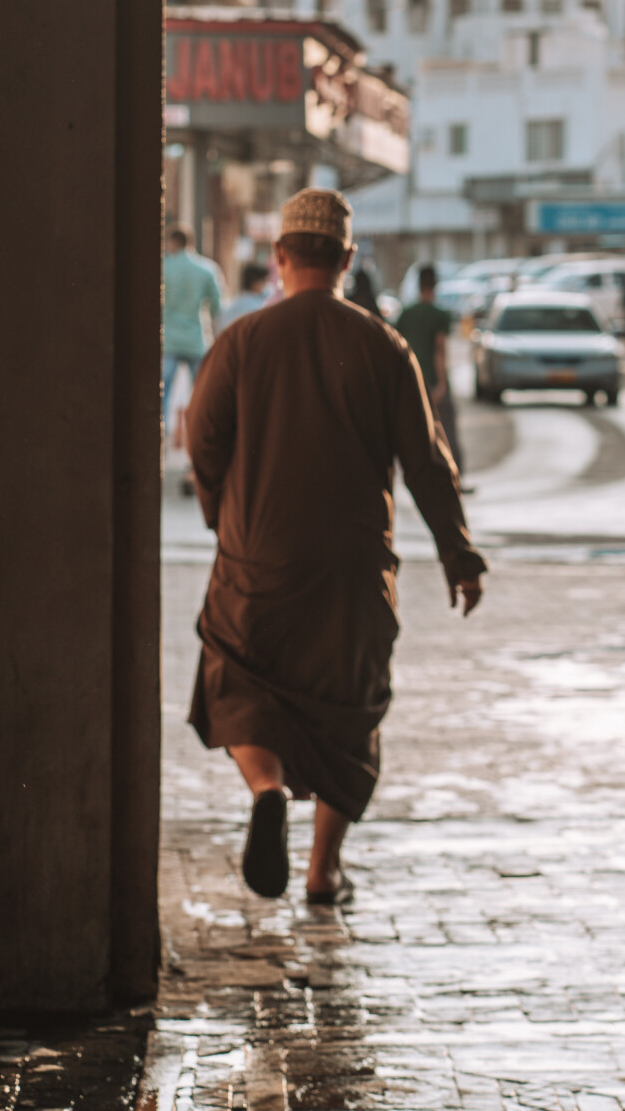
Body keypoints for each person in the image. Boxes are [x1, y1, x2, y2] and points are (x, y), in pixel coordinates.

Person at [185, 189, 486, 905]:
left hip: (255, 560)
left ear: (281, 259)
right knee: (350, 713)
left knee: (239, 679)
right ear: (347, 260)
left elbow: (202, 440)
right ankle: (323, 871)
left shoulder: (241, 343)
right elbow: (427, 462)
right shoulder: (384, 346)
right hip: (353, 572)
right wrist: (459, 554)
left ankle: (265, 789)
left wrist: (220, 514)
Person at [397, 265, 467, 475]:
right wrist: (442, 384)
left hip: (412, 381)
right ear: (435, 285)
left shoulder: (406, 315)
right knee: (447, 430)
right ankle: (454, 477)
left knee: (415, 432)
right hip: (433, 381)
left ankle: (422, 475)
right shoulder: (439, 315)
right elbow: (439, 350)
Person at [163, 225, 222, 432]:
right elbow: (217, 306)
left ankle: (162, 437)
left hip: (168, 339)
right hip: (196, 339)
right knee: (202, 395)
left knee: (162, 394)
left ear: (172, 243)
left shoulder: (163, 267)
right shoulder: (207, 269)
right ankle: (200, 434)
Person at [218, 262, 271, 329]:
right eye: (263, 282)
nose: (265, 285)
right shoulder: (254, 306)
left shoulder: (236, 302)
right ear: (255, 283)